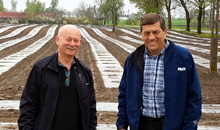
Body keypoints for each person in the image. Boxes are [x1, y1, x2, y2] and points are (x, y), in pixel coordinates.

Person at [116, 13, 202, 130]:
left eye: (156, 32)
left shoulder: (183, 58)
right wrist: (122, 124)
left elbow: (194, 97)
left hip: (172, 125)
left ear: (165, 31)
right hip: (141, 124)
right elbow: (124, 94)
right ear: (141, 34)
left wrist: (190, 126)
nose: (151, 37)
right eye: (146, 33)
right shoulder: (133, 59)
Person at [18, 25, 97, 130]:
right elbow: (28, 104)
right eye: (68, 39)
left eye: (76, 40)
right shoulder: (41, 68)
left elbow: (91, 108)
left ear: (80, 43)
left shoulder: (85, 72)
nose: (72, 44)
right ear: (57, 40)